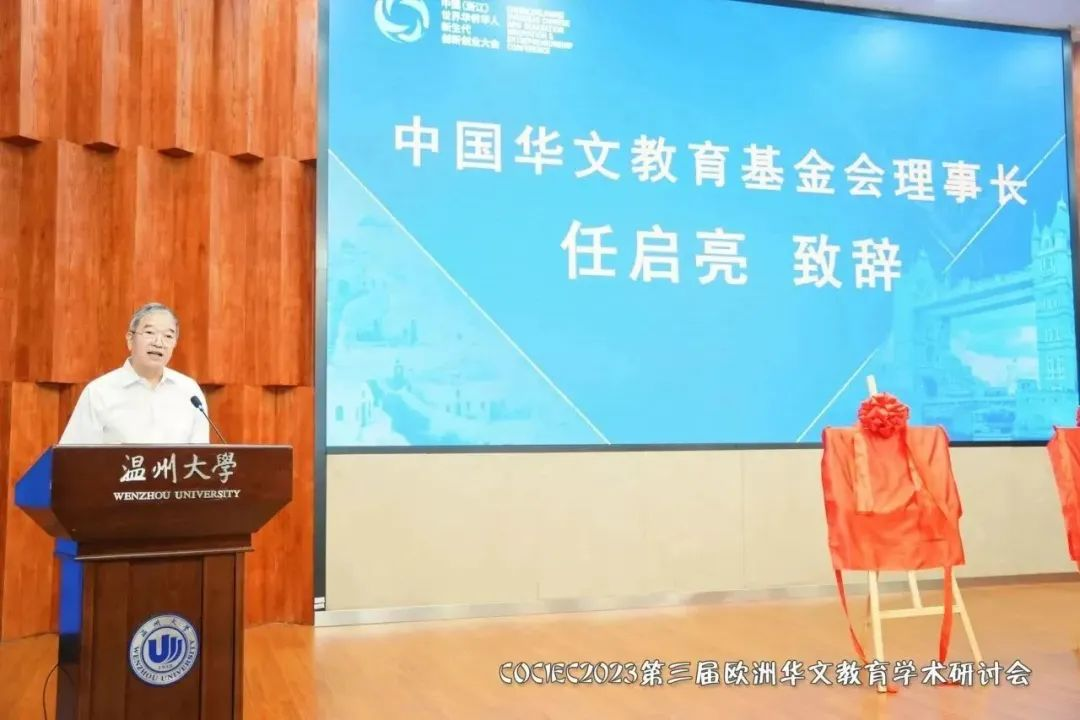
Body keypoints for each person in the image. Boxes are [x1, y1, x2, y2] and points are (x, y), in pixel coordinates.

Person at [58, 302, 210, 445]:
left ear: (175, 343)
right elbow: (71, 456)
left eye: (168, 336)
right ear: (130, 339)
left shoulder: (189, 392)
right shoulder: (99, 392)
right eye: (149, 332)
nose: (159, 343)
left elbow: (201, 457)